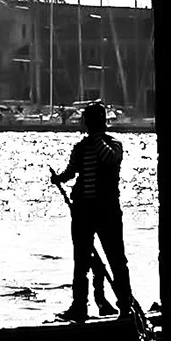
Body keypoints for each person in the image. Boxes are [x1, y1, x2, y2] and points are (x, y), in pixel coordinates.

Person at [54, 101, 138, 322]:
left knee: (116, 259)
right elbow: (71, 172)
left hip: (107, 211)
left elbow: (110, 157)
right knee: (81, 261)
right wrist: (59, 178)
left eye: (91, 121)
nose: (88, 125)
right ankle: (79, 306)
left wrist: (96, 138)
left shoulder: (114, 144)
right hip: (83, 211)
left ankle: (125, 306)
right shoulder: (80, 148)